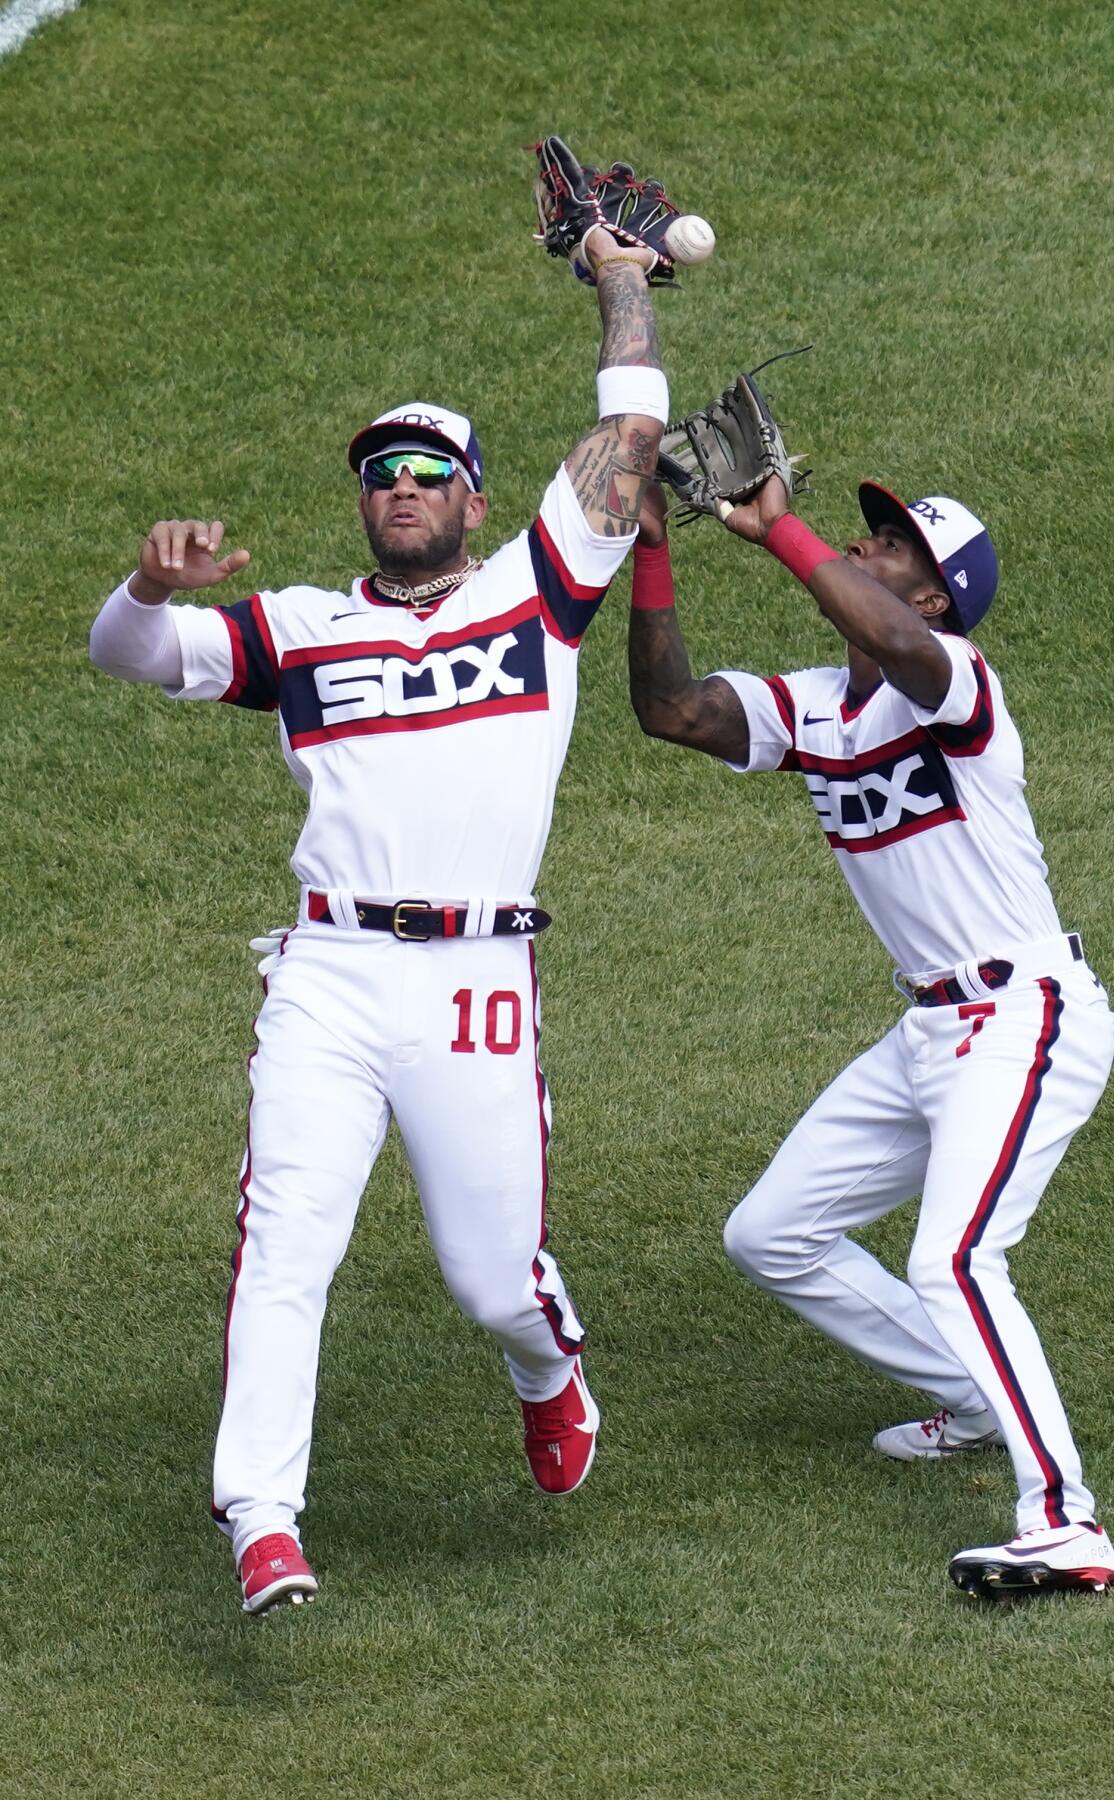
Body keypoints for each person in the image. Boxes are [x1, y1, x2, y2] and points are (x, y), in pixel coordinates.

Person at [89, 225, 669, 1615]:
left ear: (474, 501)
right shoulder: (296, 626)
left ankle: (547, 1370)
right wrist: (152, 585)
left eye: (427, 475)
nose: (400, 492)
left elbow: (632, 437)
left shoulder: (540, 590)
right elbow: (132, 654)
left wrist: (624, 281)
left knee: (490, 1280)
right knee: (286, 1237)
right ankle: (265, 1522)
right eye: (380, 476)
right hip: (330, 972)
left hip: (477, 976)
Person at [626, 473, 1114, 1599]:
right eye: (875, 530)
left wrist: (776, 532)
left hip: (1026, 1015)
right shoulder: (814, 708)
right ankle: (969, 1394)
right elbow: (673, 711)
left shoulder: (957, 687)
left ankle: (1066, 1524)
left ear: (939, 602)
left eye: (899, 544)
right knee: (772, 1233)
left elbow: (890, 634)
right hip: (929, 1034)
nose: (870, 541)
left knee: (953, 1255)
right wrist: (653, 549)